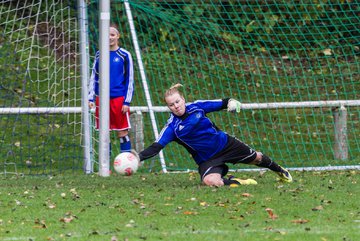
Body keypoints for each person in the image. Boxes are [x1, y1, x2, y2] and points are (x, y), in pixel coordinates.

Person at [137, 83, 292, 187]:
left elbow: (222, 103)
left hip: (225, 144)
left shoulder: (197, 107)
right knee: (210, 181)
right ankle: (237, 182)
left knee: (257, 158)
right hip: (207, 159)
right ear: (168, 107)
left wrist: (232, 103)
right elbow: (156, 146)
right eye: (171, 105)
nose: (176, 106)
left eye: (177, 102)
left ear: (183, 99)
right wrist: (138, 157)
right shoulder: (172, 128)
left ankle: (280, 171)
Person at [88, 23, 134, 154]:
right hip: (101, 99)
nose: (109, 37)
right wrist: (90, 97)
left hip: (119, 99)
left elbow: (130, 78)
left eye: (112, 34)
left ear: (118, 36)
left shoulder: (124, 55)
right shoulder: (99, 54)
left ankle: (126, 164)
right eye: (106, 35)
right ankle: (105, 167)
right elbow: (93, 76)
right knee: (104, 133)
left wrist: (127, 101)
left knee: (122, 131)